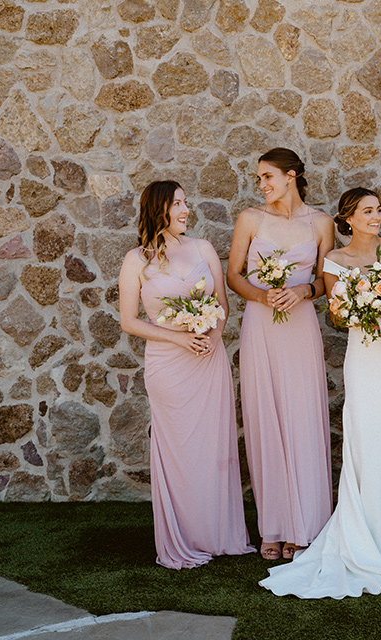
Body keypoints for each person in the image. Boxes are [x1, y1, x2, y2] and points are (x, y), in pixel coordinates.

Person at [261, 188, 381, 598]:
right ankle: (361, 529)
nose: (377, 217)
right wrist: (363, 306)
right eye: (368, 211)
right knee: (363, 437)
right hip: (364, 355)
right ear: (349, 219)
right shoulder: (335, 261)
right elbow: (338, 316)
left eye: (379, 209)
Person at [117, 180, 254, 568]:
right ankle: (183, 537)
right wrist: (178, 338)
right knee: (179, 450)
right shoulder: (136, 260)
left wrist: (210, 335)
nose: (185, 209)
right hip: (168, 365)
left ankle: (217, 534)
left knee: (213, 449)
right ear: (158, 208)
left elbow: (222, 305)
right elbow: (129, 321)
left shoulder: (203, 249)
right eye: (178, 203)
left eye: (186, 203)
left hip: (208, 361)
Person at [226, 148, 335, 561]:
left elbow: (325, 280)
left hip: (301, 325)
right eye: (260, 180)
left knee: (302, 416)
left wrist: (303, 290)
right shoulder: (251, 219)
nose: (263, 185)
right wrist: (263, 296)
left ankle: (304, 524)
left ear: (292, 176)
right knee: (265, 416)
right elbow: (233, 274)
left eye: (268, 177)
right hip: (261, 324)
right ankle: (272, 525)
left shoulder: (321, 223)